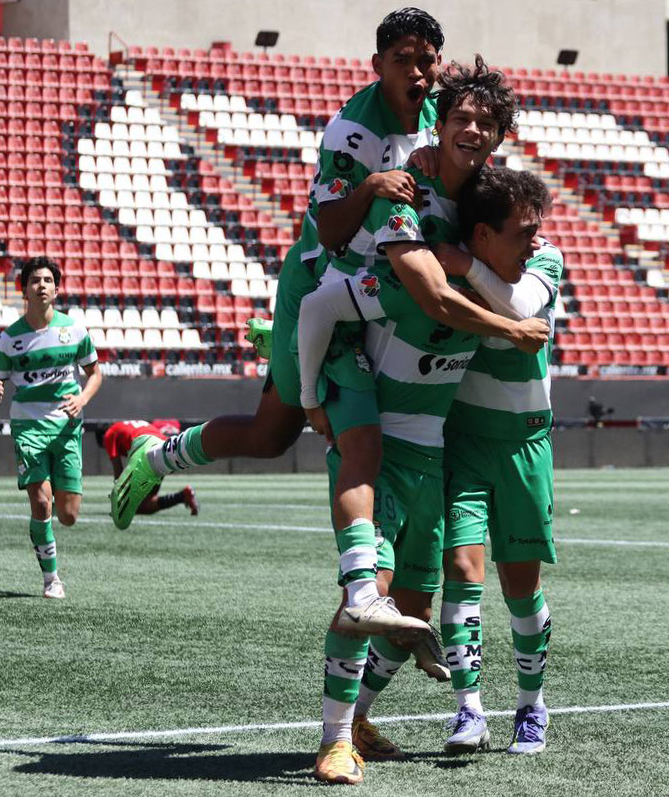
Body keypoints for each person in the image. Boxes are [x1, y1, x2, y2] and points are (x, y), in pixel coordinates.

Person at [298, 65, 547, 784]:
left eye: (486, 123)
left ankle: (362, 721)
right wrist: (313, 393)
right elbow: (338, 302)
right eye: (460, 116)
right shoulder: (404, 227)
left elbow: (516, 283)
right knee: (363, 596)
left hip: (434, 452)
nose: (472, 129)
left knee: (408, 607)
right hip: (382, 432)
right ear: (438, 120)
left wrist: (474, 269)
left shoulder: (493, 232)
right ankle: (333, 740)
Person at [111, 7, 447, 530]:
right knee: (274, 437)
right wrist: (370, 187)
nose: (416, 72)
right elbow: (331, 230)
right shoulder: (353, 132)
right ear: (377, 64)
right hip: (322, 287)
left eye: (426, 61)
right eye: (401, 59)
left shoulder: (440, 115)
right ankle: (155, 457)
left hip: (373, 286)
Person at [434, 169, 560, 756]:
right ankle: (469, 709)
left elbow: (519, 304)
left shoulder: (544, 262)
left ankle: (532, 705)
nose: (537, 239)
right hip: (465, 440)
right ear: (483, 232)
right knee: (461, 568)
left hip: (525, 445)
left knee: (520, 586)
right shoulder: (448, 264)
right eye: (524, 230)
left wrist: (466, 268)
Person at [0, 257, 102, 599]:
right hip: (28, 426)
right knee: (41, 503)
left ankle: (45, 534)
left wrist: (81, 400)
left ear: (56, 288)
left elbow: (96, 374)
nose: (41, 285)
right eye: (35, 280)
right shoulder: (9, 339)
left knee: (68, 515)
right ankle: (52, 578)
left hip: (67, 427)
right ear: (23, 289)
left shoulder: (74, 330)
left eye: (47, 280)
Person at [95, 420, 199, 518]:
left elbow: (118, 470)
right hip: (167, 452)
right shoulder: (126, 426)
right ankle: (183, 496)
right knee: (146, 502)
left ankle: (181, 496)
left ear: (102, 438)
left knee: (139, 507)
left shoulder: (109, 434)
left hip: (149, 454)